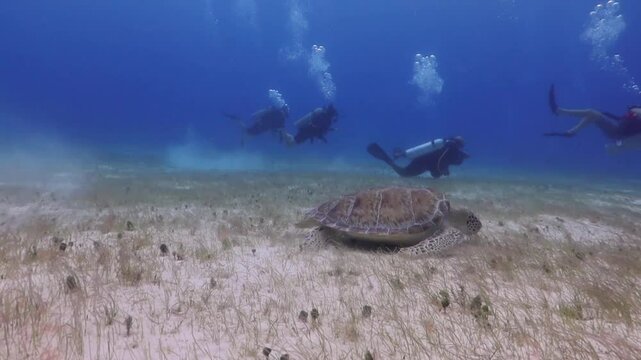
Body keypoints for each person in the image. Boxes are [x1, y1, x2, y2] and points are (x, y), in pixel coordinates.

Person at [545, 84, 641, 153]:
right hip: (618, 130)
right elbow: (623, 121)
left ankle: (560, 112)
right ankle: (569, 129)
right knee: (592, 114)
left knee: (592, 114)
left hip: (618, 135)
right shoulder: (634, 115)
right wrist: (608, 115)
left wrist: (619, 147)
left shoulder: (637, 113)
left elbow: (637, 139)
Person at [367, 136, 469, 178]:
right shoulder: (448, 150)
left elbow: (439, 166)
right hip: (422, 162)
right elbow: (441, 162)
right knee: (404, 174)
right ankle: (385, 158)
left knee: (405, 173)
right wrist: (444, 170)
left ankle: (399, 154)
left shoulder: (447, 149)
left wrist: (443, 170)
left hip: (426, 163)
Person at [224, 104, 290, 145]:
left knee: (249, 132)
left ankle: (238, 121)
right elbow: (280, 130)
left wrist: (280, 137)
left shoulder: (276, 113)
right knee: (248, 132)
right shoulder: (281, 118)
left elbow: (278, 129)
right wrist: (280, 138)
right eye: (286, 112)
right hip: (261, 125)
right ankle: (237, 119)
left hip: (261, 125)